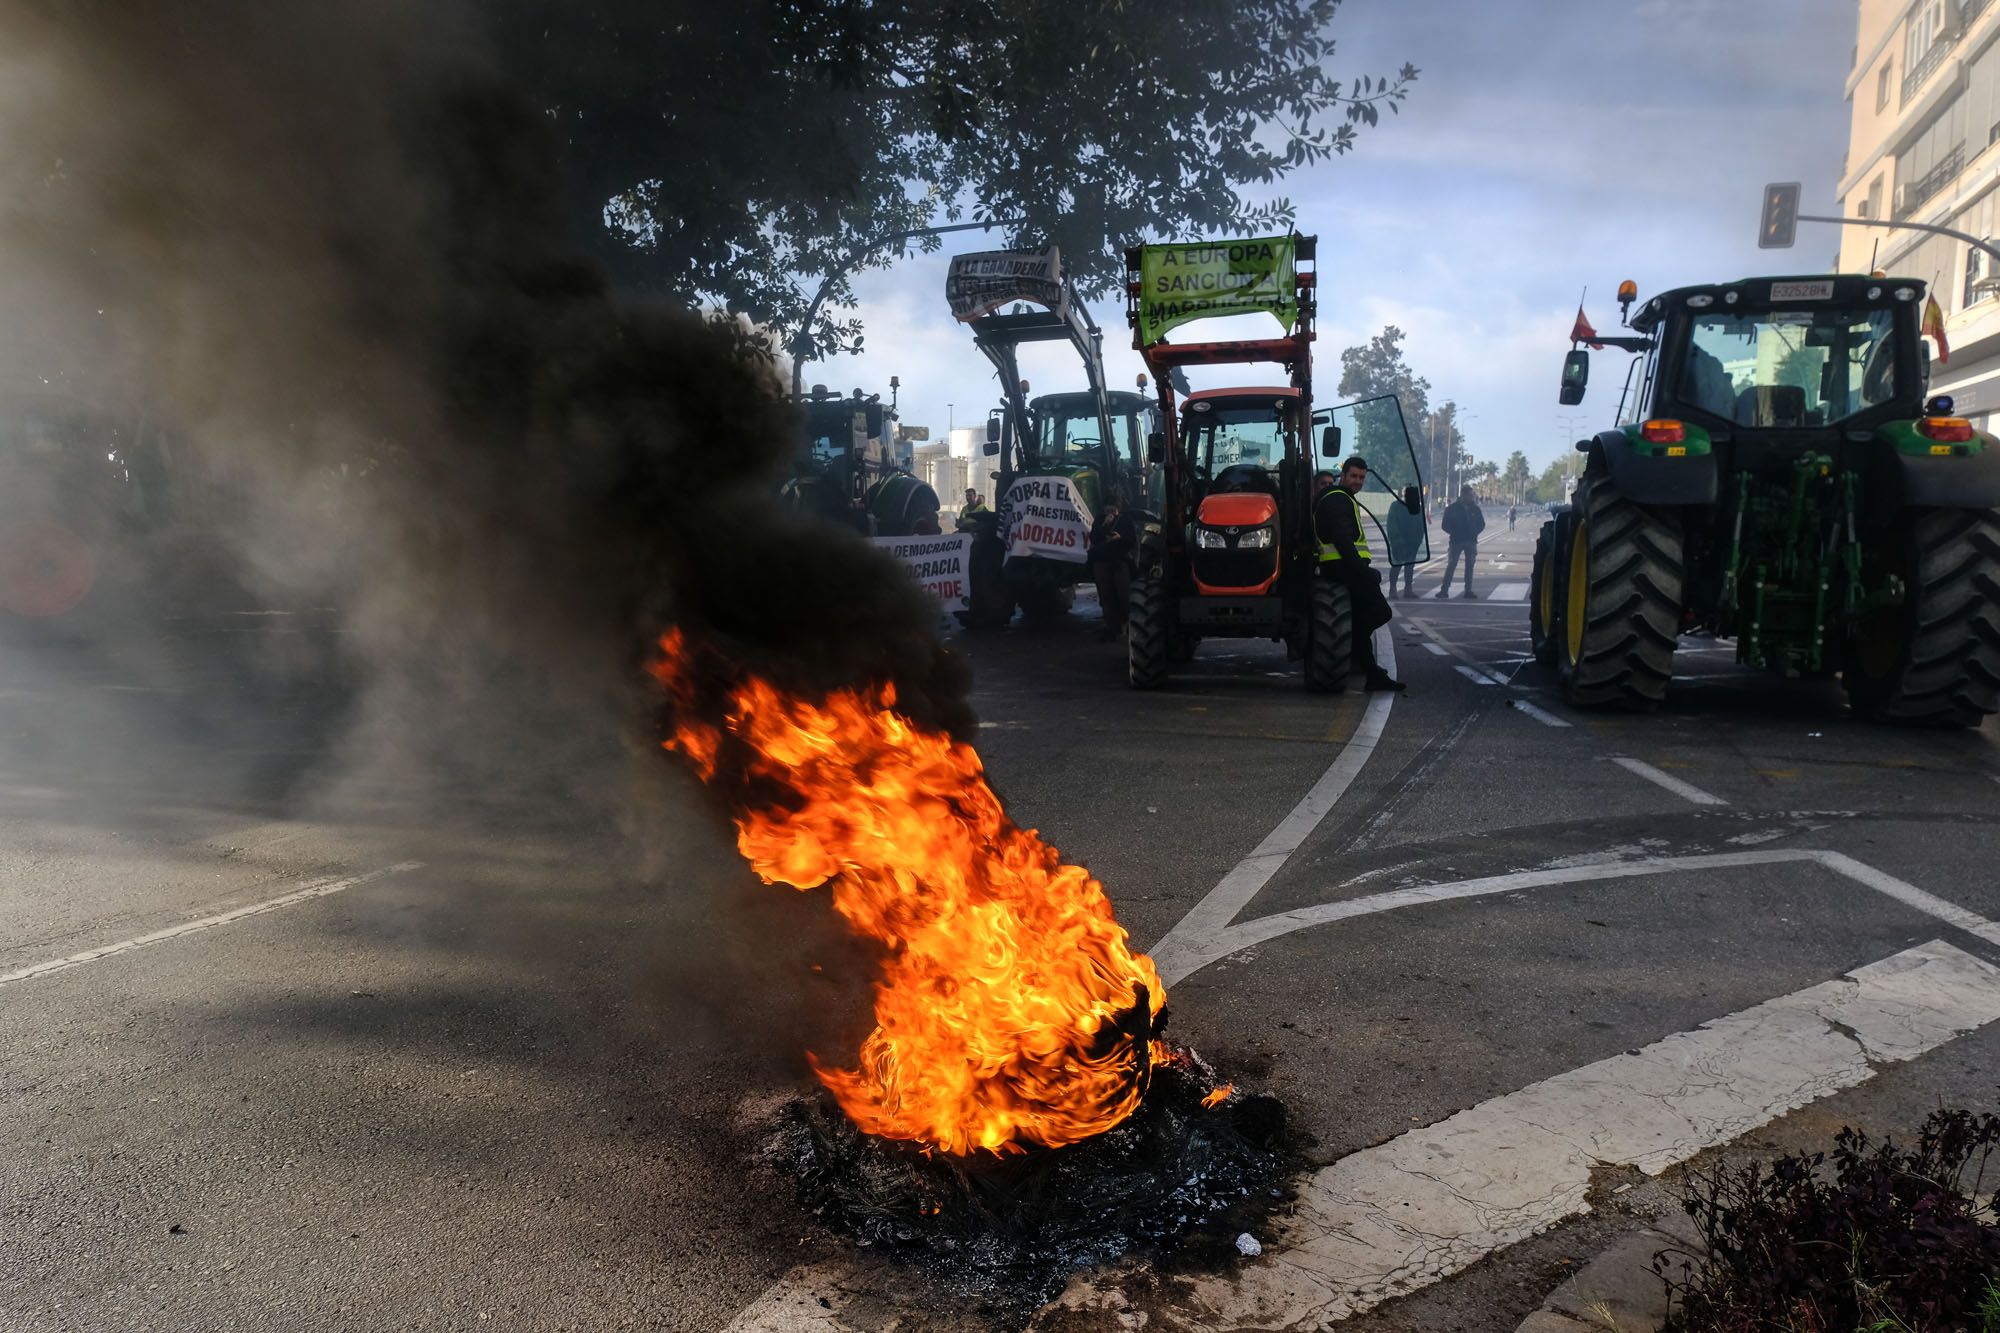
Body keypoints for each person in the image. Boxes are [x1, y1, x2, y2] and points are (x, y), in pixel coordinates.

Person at [1313, 458, 1405, 692]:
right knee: (1379, 612)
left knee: (1364, 616)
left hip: (1344, 567)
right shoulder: (1337, 498)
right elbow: (1342, 539)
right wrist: (1363, 572)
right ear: (1342, 476)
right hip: (1344, 568)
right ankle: (1353, 645)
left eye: (1362, 478)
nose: (1358, 481)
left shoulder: (1342, 498)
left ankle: (1371, 673)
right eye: (1353, 476)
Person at [1088, 498, 1137, 638]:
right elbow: (1093, 537)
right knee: (1106, 595)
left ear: (1118, 509)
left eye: (1112, 509)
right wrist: (1104, 525)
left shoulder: (1125, 521)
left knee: (1124, 594)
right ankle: (1112, 626)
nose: (1110, 512)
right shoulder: (1099, 520)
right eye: (1107, 509)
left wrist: (1119, 538)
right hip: (1102, 561)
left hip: (1119, 561)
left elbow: (1132, 539)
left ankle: (1128, 622)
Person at [1437, 489, 1485, 599]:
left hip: (1471, 541)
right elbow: (1444, 525)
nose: (1472, 497)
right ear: (1463, 495)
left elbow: (1481, 524)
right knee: (1451, 565)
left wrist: (1475, 532)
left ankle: (1468, 590)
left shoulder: (1475, 509)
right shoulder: (1452, 508)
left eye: (1472, 495)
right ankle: (1444, 590)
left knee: (1470, 566)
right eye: (1470, 495)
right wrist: (1454, 532)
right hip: (1456, 541)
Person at [1384, 483, 1424, 599]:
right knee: (1396, 566)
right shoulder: (1395, 506)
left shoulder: (1417, 506)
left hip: (1413, 542)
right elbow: (1392, 525)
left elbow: (1421, 524)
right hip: (1399, 543)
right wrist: (1396, 540)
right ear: (1401, 492)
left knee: (1410, 567)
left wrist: (1419, 538)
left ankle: (1408, 590)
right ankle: (1392, 590)